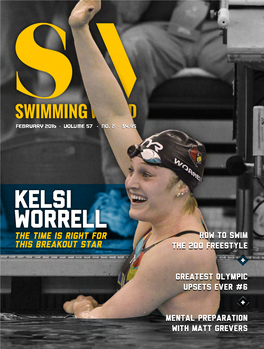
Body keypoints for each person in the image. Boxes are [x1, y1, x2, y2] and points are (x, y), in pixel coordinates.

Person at [63, 0, 220, 319]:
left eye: (146, 175)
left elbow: (94, 321)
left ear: (180, 186)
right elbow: (113, 113)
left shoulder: (180, 252)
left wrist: (78, 306)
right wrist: (80, 31)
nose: (130, 181)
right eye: (133, 170)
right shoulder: (162, 211)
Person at [99, 0, 234, 184]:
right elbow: (129, 11)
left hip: (230, 29)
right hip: (152, 29)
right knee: (119, 54)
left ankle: (259, 195)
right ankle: (118, 189)